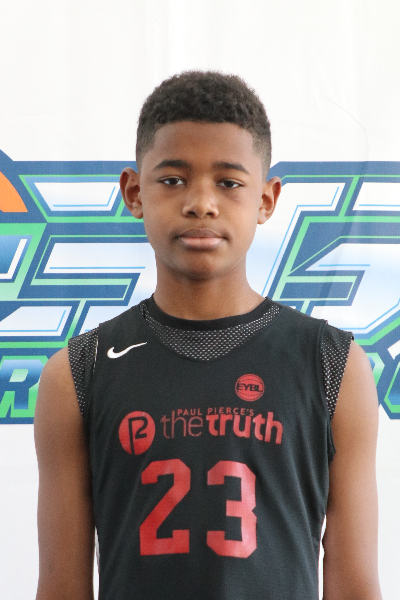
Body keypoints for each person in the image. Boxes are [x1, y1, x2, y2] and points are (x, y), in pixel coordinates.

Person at [34, 71, 382, 600]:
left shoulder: (333, 365)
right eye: (173, 180)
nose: (201, 202)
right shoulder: (79, 372)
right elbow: (61, 589)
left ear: (266, 199)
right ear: (134, 192)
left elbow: (355, 588)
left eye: (229, 182)